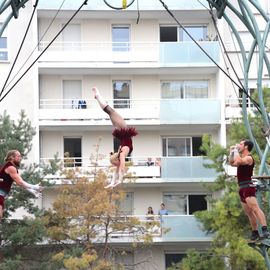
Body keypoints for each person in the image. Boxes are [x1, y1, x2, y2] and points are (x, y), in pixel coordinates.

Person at [92, 87, 138, 188]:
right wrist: (120, 180)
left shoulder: (120, 151)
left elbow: (117, 169)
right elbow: (122, 167)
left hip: (121, 132)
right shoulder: (123, 153)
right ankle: (98, 96)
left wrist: (112, 182)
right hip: (123, 130)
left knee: (109, 112)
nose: (116, 165)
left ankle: (98, 97)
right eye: (115, 164)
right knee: (110, 111)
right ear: (117, 160)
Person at [229, 139, 270, 240]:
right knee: (249, 212)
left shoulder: (248, 158)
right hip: (242, 188)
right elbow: (232, 163)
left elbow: (238, 161)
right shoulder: (242, 158)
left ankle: (265, 229)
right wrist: (232, 152)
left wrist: (236, 151)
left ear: (246, 146)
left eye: (241, 144)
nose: (239, 145)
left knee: (255, 208)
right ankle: (255, 232)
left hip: (248, 187)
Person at [0, 150, 43, 220]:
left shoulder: (12, 168)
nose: (20, 158)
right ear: (12, 157)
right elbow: (20, 182)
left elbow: (19, 183)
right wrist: (34, 187)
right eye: (18, 156)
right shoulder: (10, 168)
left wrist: (32, 191)